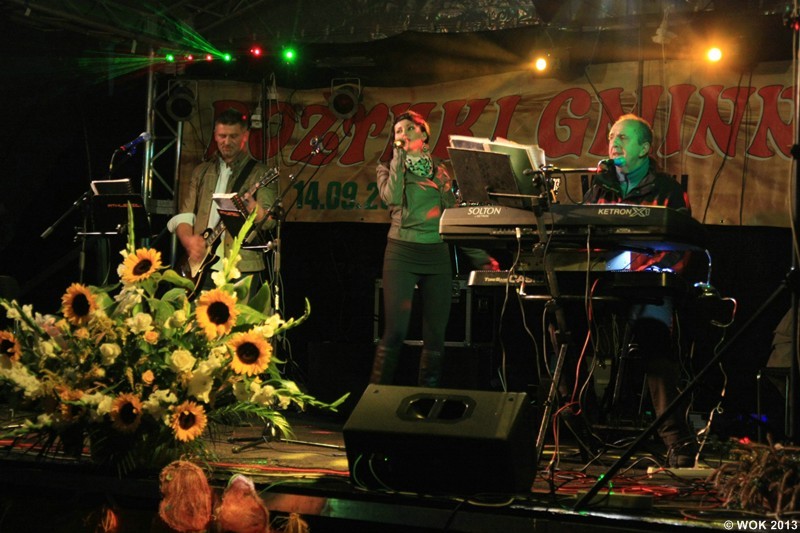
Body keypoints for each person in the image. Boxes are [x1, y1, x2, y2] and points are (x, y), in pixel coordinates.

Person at [583, 113, 698, 467]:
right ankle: (579, 425)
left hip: (648, 283)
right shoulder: (599, 188)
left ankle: (677, 440)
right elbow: (581, 238)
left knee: (654, 337)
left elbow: (681, 245)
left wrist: (644, 266)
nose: (614, 143)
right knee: (563, 324)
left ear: (645, 148)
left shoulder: (668, 190)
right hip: (605, 282)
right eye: (611, 136)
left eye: (623, 137)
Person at [372, 111, 495, 388]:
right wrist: (398, 158)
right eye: (398, 131)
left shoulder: (440, 170)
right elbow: (392, 198)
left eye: (409, 129)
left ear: (424, 134)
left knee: (436, 335)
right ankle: (377, 395)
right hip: (402, 253)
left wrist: (480, 257)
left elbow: (452, 218)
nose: (403, 135)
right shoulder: (386, 168)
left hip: (436, 254)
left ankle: (426, 399)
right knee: (396, 330)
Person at [168, 108, 277, 296]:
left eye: (233, 136)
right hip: (201, 266)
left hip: (241, 269)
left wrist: (255, 209)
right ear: (215, 136)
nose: (226, 142)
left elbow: (270, 221)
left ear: (245, 136)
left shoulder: (260, 173)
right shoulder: (201, 171)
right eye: (222, 136)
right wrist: (189, 241)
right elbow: (185, 215)